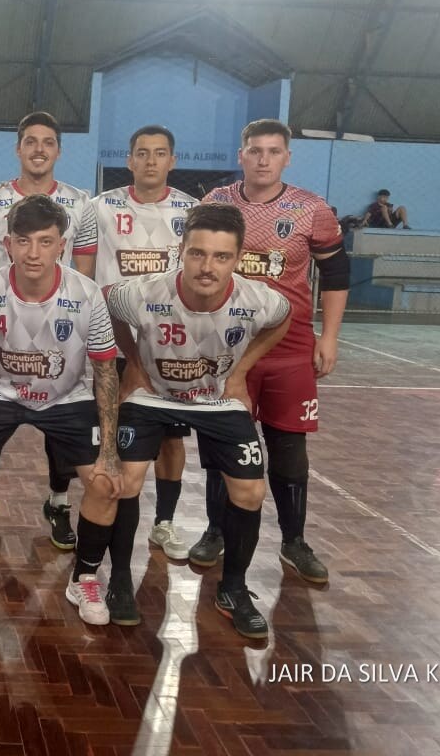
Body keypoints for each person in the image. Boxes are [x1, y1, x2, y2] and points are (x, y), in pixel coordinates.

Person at [106, 203, 291, 637]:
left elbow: (283, 320)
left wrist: (241, 372)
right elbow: (108, 304)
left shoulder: (260, 300)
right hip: (154, 395)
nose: (208, 267)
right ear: (181, 251)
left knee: (250, 491)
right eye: (198, 253)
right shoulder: (144, 292)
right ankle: (119, 581)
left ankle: (233, 589)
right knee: (125, 481)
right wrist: (133, 362)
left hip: (217, 399)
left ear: (238, 258)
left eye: (221, 256)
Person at [189, 119, 350, 584]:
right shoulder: (216, 203)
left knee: (289, 447)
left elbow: (336, 275)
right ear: (241, 155)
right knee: (224, 442)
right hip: (226, 343)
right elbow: (193, 263)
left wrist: (329, 336)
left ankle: (294, 541)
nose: (263, 159)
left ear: (287, 158)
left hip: (289, 344)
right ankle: (216, 531)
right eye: (255, 150)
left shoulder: (311, 209)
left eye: (273, 151)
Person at [0, 195, 119, 616]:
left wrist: (110, 452)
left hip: (66, 395)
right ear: (8, 245)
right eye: (23, 241)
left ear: (62, 245)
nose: (33, 253)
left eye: (45, 242)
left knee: (104, 483)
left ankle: (84, 579)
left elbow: (106, 373)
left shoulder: (87, 294)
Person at [0, 111, 97, 551]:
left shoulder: (81, 203)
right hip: (6, 332)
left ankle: (58, 502)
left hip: (60, 332)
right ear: (19, 148)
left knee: (63, 420)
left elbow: (85, 268)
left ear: (58, 150)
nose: (39, 149)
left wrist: (71, 317)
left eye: (47, 142)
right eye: (30, 141)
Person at [92, 125, 198, 561]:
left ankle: (164, 522)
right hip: (110, 344)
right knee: (108, 434)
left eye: (159, 153)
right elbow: (84, 267)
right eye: (142, 153)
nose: (150, 161)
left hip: (167, 347)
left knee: (171, 439)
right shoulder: (101, 207)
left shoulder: (192, 212)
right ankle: (102, 514)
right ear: (129, 160)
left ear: (172, 160)